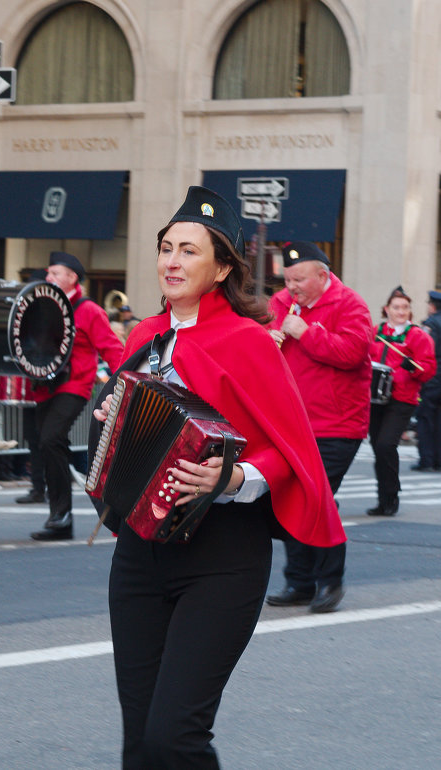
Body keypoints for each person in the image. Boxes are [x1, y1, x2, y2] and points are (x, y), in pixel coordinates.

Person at [88, 187, 346, 769]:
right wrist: (111, 425)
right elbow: (121, 433)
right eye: (166, 248)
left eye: (189, 251)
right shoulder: (142, 336)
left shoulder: (249, 342)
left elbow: (290, 448)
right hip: (139, 557)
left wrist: (232, 478)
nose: (172, 262)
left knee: (175, 738)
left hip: (222, 559)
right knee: (139, 743)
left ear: (223, 267)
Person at [266, 241, 372, 613]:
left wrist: (304, 332)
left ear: (323, 276)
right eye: (287, 279)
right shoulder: (279, 304)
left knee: (318, 497)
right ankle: (300, 581)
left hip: (337, 424)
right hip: (291, 421)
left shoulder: (350, 304)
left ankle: (329, 582)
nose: (290, 287)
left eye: (298, 280)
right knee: (294, 497)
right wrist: (268, 341)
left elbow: (353, 353)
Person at [30, 251, 123, 540]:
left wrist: (127, 383)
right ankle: (60, 516)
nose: (49, 278)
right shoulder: (43, 305)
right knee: (45, 443)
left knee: (51, 438)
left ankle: (62, 516)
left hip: (75, 385)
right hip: (45, 386)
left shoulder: (89, 310)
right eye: (48, 274)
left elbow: (111, 349)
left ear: (71, 278)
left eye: (55, 274)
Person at [368, 286, 436, 514]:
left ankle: (391, 496)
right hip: (376, 399)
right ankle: (383, 500)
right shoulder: (375, 331)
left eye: (405, 307)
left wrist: (414, 368)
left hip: (402, 399)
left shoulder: (418, 336)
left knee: (386, 445)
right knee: (378, 448)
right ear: (387, 309)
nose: (401, 311)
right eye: (396, 307)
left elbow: (428, 370)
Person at [412, 289, 441, 471]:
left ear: (432, 306)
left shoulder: (430, 324)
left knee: (425, 418)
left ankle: (427, 460)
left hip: (433, 378)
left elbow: (426, 348)